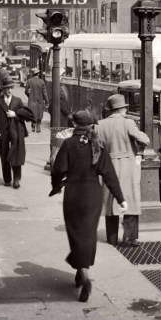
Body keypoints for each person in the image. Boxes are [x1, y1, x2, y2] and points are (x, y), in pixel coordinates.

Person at [50, 110, 127, 303]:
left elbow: (58, 169)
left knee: (75, 234)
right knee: (88, 234)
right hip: (93, 195)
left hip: (74, 195)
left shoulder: (68, 144)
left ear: (74, 125)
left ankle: (83, 273)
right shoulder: (97, 145)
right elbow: (109, 175)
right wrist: (120, 198)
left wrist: (56, 186)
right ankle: (81, 270)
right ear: (90, 126)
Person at [95, 94, 150, 246]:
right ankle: (130, 238)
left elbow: (97, 148)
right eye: (125, 108)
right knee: (130, 202)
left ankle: (112, 238)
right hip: (128, 166)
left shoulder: (99, 125)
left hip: (108, 165)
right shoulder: (128, 123)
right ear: (121, 109)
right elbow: (144, 139)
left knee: (110, 203)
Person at [0, 77, 33, 188]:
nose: (9, 90)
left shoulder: (18, 100)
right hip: (2, 132)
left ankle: (17, 179)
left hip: (16, 131)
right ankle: (7, 179)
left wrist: (16, 115)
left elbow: (27, 115)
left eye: (10, 88)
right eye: (7, 88)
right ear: (3, 89)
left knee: (16, 155)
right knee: (4, 155)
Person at [25, 68, 48, 133]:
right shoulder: (42, 81)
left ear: (32, 74)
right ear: (38, 74)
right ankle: (38, 127)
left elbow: (26, 91)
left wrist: (29, 95)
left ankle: (33, 125)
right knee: (39, 114)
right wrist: (47, 102)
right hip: (40, 101)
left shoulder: (29, 81)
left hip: (32, 101)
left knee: (33, 113)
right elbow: (45, 93)